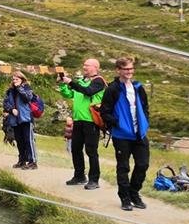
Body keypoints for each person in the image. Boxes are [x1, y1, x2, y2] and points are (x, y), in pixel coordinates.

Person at [100, 57, 150, 212]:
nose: (129, 72)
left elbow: (145, 106)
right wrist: (117, 123)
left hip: (139, 133)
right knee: (123, 167)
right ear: (118, 70)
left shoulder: (138, 87)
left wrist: (145, 121)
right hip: (122, 135)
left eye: (131, 69)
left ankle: (134, 193)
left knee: (143, 164)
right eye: (126, 69)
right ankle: (125, 198)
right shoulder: (113, 89)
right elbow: (104, 111)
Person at [59, 58, 106, 189]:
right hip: (78, 120)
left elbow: (89, 91)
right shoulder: (81, 81)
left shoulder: (99, 81)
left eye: (87, 65)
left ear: (95, 67)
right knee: (76, 149)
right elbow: (69, 94)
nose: (84, 67)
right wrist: (63, 84)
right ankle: (79, 176)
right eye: (84, 65)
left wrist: (72, 83)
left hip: (91, 121)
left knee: (91, 151)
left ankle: (94, 180)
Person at [2, 71, 37, 169]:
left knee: (28, 140)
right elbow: (5, 103)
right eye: (13, 79)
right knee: (19, 141)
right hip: (14, 119)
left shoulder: (26, 88)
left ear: (22, 79)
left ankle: (32, 162)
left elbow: (27, 98)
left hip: (26, 118)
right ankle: (22, 160)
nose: (14, 81)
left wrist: (19, 87)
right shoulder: (9, 91)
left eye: (17, 79)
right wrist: (11, 109)